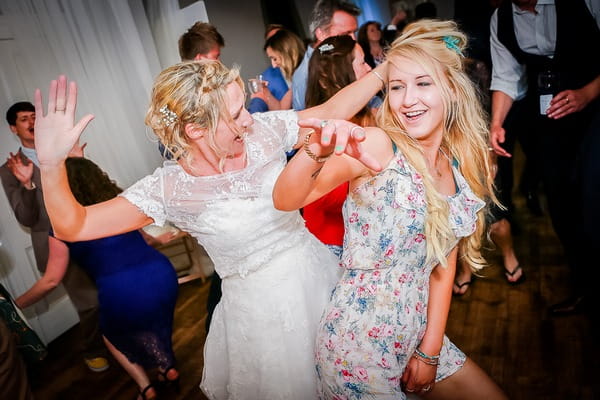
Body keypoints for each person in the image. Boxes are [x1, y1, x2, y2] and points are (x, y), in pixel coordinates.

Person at [33, 59, 387, 399]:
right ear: (195, 130)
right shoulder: (169, 189)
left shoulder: (263, 133)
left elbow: (328, 112)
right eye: (235, 115)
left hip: (319, 280)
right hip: (261, 319)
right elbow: (73, 225)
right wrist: (50, 165)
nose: (250, 120)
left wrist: (387, 70)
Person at [273, 19, 507, 399]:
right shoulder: (379, 145)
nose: (407, 99)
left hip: (417, 333)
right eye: (397, 86)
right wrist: (317, 147)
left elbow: (443, 264)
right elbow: (286, 198)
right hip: (357, 347)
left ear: (451, 87)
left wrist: (430, 349)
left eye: (423, 83)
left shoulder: (457, 163)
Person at [15, 157, 180, 400]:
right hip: (161, 274)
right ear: (98, 177)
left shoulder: (62, 228)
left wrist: (14, 304)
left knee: (111, 333)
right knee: (156, 320)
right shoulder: (120, 204)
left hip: (121, 288)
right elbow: (146, 239)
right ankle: (168, 367)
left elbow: (51, 280)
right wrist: (160, 239)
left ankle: (146, 387)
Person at [489, 0, 600, 314]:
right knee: (560, 201)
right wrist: (497, 123)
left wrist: (588, 93)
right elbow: (506, 77)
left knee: (592, 196)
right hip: (548, 116)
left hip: (593, 108)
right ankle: (585, 286)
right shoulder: (502, 17)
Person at [0, 102, 108, 373]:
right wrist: (28, 184)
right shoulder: (9, 169)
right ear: (14, 128)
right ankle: (93, 349)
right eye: (25, 119)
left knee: (111, 290)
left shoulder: (63, 149)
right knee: (90, 302)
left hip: (86, 232)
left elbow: (85, 189)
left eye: (35, 116)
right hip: (53, 242)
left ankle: (120, 340)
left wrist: (78, 164)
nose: (32, 122)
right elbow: (26, 218)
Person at [303, 35, 375, 258]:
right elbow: (323, 197)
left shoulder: (372, 116)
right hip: (334, 243)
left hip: (368, 237)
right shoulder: (318, 133)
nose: (370, 68)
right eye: (362, 62)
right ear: (333, 77)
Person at [291, 0, 360, 110]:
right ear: (321, 34)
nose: (354, 39)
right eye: (345, 34)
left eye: (354, 32)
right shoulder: (305, 76)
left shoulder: (347, 55)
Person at [253, 28, 305, 111]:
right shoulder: (296, 77)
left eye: (274, 59)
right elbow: (281, 108)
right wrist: (265, 90)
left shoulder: (307, 72)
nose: (273, 66)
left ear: (286, 53)